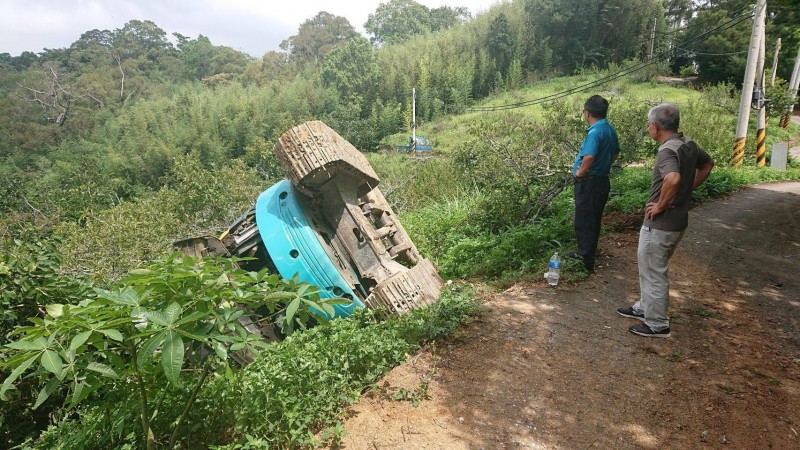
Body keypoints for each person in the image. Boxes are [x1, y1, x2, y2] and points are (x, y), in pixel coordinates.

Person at [617, 103, 714, 338]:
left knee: (653, 272)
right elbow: (708, 163)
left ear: (655, 126)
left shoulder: (667, 150)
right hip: (677, 222)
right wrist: (687, 190)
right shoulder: (688, 143)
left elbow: (672, 178)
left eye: (649, 125)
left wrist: (661, 204)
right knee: (651, 268)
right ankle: (644, 307)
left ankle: (657, 324)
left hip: (661, 225)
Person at [571, 95, 621, 271]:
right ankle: (586, 255)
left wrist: (580, 173)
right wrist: (604, 164)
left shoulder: (594, 132)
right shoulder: (609, 129)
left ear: (588, 113)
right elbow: (615, 152)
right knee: (593, 220)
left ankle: (585, 263)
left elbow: (590, 156)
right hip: (601, 181)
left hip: (589, 182)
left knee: (584, 221)